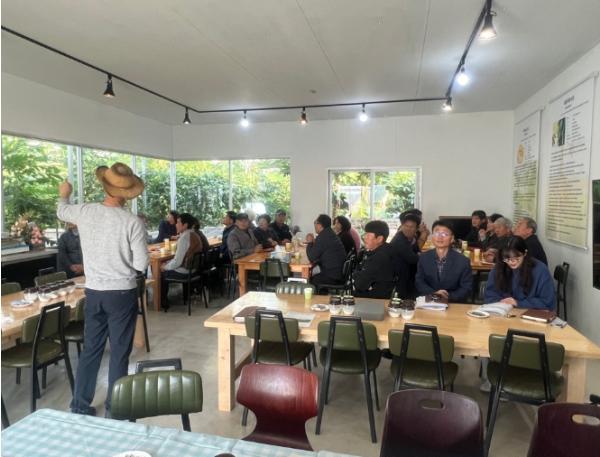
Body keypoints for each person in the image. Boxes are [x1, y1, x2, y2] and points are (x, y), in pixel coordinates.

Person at [57, 162, 148, 416]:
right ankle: (114, 407)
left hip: (94, 292)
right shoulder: (131, 221)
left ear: (105, 187)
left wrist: (64, 193)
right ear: (127, 193)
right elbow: (141, 264)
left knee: (91, 350)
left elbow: (62, 211)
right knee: (119, 352)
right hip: (122, 293)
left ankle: (79, 404)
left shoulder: (85, 211)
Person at [484, 236, 555, 309]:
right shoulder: (500, 267)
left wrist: (518, 303)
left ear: (525, 253)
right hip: (503, 310)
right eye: (507, 259)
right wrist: (501, 302)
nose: (511, 262)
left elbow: (547, 301)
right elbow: (490, 294)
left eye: (516, 258)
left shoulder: (540, 270)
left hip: (530, 312)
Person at [415, 220, 472, 302]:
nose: (440, 237)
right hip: (429, 301)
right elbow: (419, 282)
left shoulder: (463, 261)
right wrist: (435, 294)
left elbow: (466, 288)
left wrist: (446, 297)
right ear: (432, 237)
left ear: (452, 238)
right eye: (437, 233)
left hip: (453, 303)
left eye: (445, 234)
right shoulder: (424, 257)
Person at [161, 213, 204, 310]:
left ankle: (162, 303)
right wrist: (168, 264)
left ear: (185, 225)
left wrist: (165, 267)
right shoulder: (194, 234)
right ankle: (184, 297)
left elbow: (177, 262)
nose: (176, 225)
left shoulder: (184, 238)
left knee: (161, 273)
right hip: (194, 270)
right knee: (167, 265)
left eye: (178, 222)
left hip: (186, 271)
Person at [353, 221, 399, 299]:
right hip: (382, 295)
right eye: (365, 234)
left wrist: (356, 273)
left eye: (368, 236)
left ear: (379, 239)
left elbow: (360, 285)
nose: (364, 238)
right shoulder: (387, 248)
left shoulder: (378, 257)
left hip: (373, 299)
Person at [306, 214, 346, 288]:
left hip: (333, 277)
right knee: (313, 273)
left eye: (315, 223)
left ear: (320, 225)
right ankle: (323, 291)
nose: (314, 225)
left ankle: (321, 293)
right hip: (338, 273)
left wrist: (310, 242)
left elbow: (311, 257)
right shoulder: (329, 233)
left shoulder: (323, 237)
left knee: (310, 280)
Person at [390, 212, 421, 298]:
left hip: (408, 274)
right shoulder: (399, 240)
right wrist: (418, 256)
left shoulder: (411, 238)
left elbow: (417, 253)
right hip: (399, 278)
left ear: (416, 229)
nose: (408, 229)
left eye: (411, 227)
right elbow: (413, 259)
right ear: (402, 226)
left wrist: (418, 255)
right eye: (406, 226)